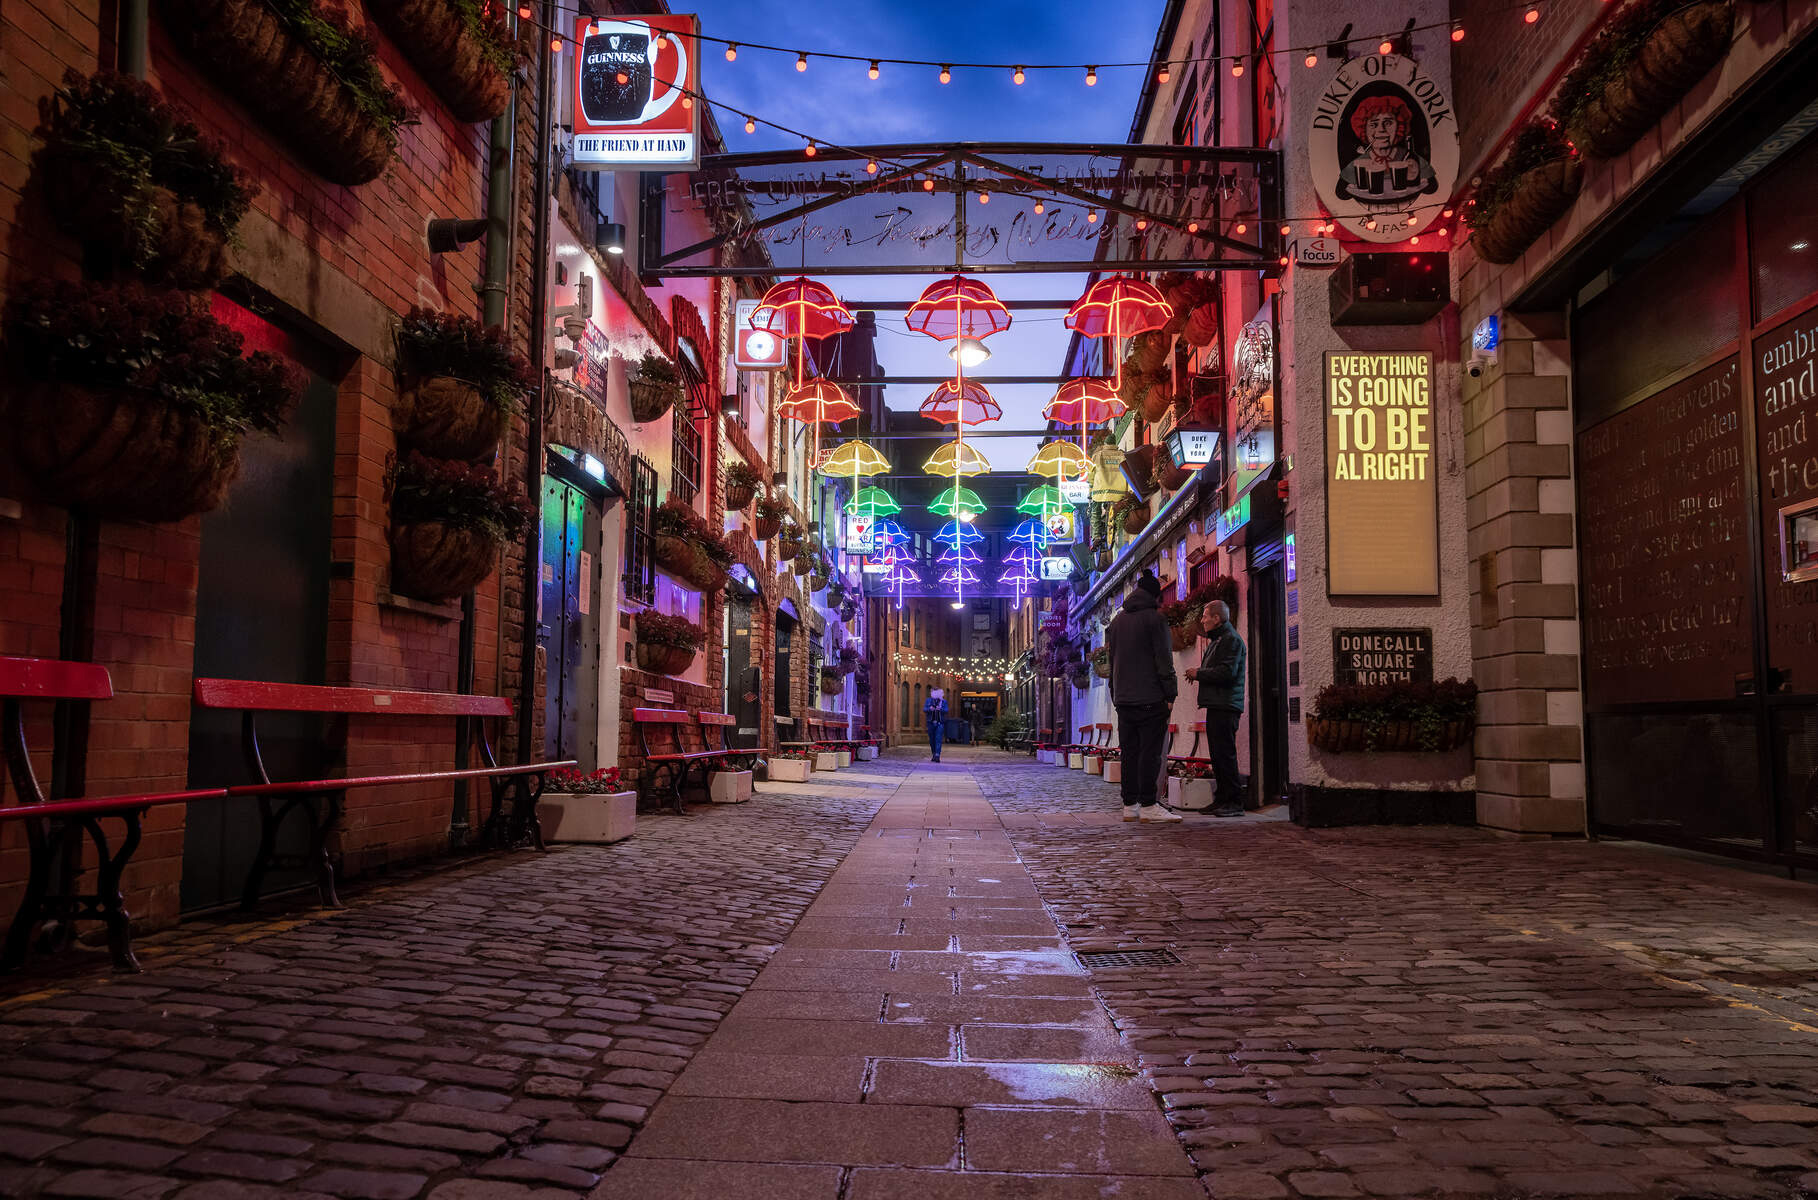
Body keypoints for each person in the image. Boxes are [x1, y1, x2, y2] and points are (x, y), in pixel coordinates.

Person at [1105, 570, 1182, 823]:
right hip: (1150, 697)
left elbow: (1111, 660)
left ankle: (1130, 805)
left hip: (1124, 700)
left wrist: (1115, 694)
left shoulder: (1116, 623)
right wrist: (1170, 693)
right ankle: (1149, 804)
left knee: (1129, 752)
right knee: (1150, 752)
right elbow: (1164, 660)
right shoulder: (1155, 619)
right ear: (1155, 596)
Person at [1185, 600, 1246, 817]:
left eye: (1205, 615)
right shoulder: (1219, 640)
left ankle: (1234, 802)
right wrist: (1200, 672)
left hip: (1226, 705)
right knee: (1218, 756)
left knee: (1225, 755)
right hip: (1218, 704)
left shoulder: (1230, 641)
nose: (1202, 620)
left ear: (1217, 618)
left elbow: (1226, 673)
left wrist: (1198, 673)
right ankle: (1222, 799)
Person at [924, 688, 948, 762]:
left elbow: (946, 710)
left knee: (938, 739)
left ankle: (937, 755)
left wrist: (940, 709)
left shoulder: (943, 702)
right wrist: (929, 709)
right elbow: (924, 709)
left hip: (939, 723)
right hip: (930, 722)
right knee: (932, 740)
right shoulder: (928, 700)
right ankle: (934, 754)